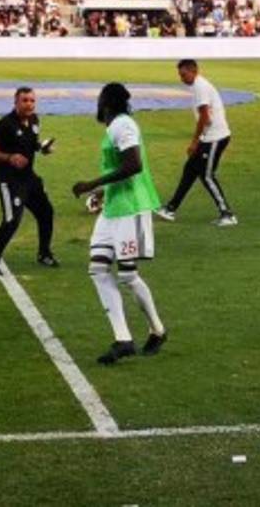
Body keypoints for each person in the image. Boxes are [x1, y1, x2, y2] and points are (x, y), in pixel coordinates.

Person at [72, 83, 167, 365]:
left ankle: (157, 330)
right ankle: (123, 339)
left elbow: (133, 165)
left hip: (131, 208)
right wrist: (102, 192)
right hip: (113, 208)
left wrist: (93, 183)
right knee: (98, 269)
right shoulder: (115, 126)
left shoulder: (123, 125)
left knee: (126, 275)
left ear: (106, 104)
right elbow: (122, 168)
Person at [0, 87, 59, 275]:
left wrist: (42, 148)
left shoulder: (34, 121)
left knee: (46, 212)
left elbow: (32, 143)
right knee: (12, 220)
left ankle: (44, 253)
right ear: (15, 102)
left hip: (29, 178)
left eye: (32, 100)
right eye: (25, 100)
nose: (29, 104)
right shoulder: (4, 125)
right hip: (9, 180)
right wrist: (9, 158)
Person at [157, 60, 237, 226]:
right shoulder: (198, 86)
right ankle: (171, 208)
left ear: (193, 71)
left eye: (183, 75)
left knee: (207, 176)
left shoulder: (200, 87)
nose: (181, 79)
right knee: (190, 169)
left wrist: (195, 142)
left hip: (215, 137)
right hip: (209, 137)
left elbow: (205, 118)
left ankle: (227, 214)